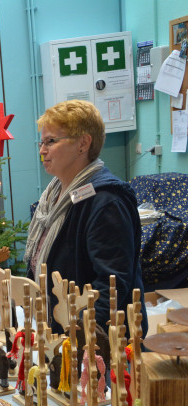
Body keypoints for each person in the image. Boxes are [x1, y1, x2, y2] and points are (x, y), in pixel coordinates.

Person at [25, 99, 147, 335]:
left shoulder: (107, 202)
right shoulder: (53, 195)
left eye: (51, 141)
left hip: (94, 342)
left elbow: (112, 285)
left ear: (83, 144)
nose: (42, 150)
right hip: (56, 329)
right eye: (42, 142)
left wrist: (80, 336)